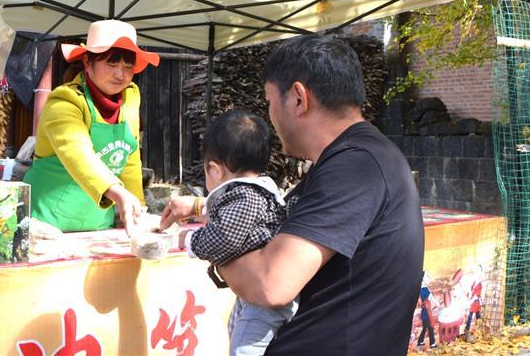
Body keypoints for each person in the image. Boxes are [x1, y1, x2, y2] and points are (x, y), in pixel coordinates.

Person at [160, 34, 424, 354]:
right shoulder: (359, 157)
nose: (270, 115)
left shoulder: (356, 166)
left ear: (298, 98)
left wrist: (214, 244)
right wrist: (200, 206)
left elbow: (270, 284)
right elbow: (272, 216)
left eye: (270, 102)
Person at [162, 110, 296, 356]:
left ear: (214, 170)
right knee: (236, 330)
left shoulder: (244, 196)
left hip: (265, 298)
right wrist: (196, 208)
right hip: (257, 289)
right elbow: (224, 216)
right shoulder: (256, 190)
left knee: (244, 347)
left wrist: (188, 240)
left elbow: (225, 237)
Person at [24, 19, 159, 236]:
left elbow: (130, 159)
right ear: (88, 62)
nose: (120, 74)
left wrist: (138, 209)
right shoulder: (64, 101)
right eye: (111, 64)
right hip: (47, 223)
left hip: (98, 226)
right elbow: (77, 153)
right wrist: (118, 193)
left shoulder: (130, 99)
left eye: (128, 67)